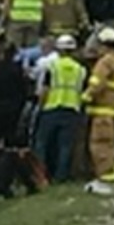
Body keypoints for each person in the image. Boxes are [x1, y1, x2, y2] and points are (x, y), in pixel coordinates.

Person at [82, 27, 114, 185]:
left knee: (100, 144)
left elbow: (97, 84)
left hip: (102, 111)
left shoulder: (105, 62)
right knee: (111, 143)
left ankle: (106, 177)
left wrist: (85, 97)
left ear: (103, 45)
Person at [35, 34, 87, 183]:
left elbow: (45, 89)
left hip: (51, 107)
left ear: (58, 50)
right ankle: (60, 176)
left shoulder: (53, 67)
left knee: (42, 143)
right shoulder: (80, 70)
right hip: (71, 109)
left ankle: (40, 175)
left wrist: (40, 106)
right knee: (65, 146)